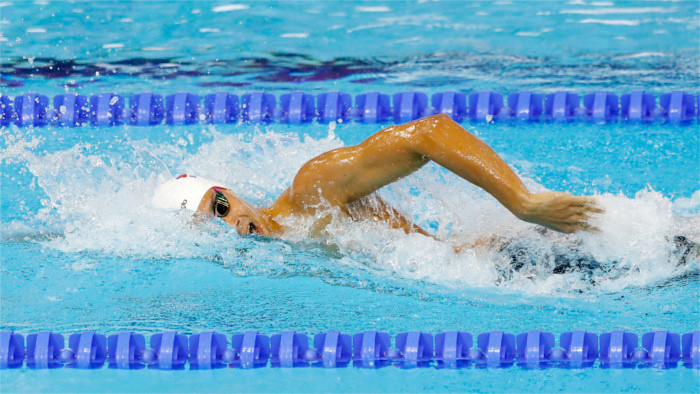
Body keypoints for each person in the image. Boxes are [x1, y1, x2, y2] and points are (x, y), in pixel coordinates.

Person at [153, 113, 603, 241]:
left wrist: (523, 204)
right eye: (211, 223)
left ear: (229, 192)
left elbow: (431, 132)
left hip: (508, 256)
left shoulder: (312, 191)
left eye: (221, 206)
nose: (231, 221)